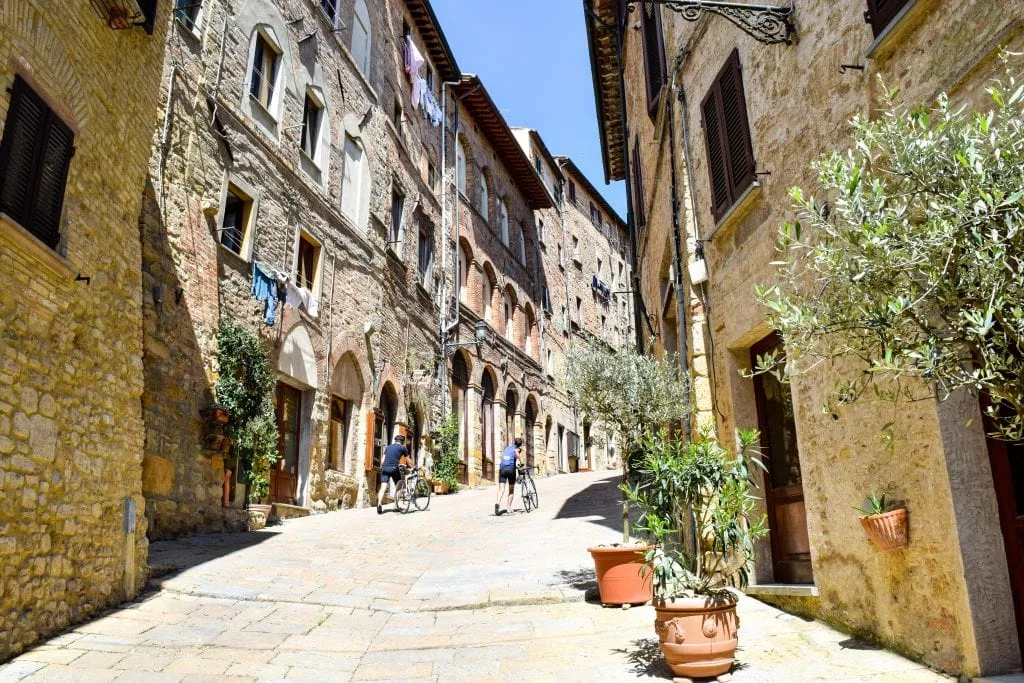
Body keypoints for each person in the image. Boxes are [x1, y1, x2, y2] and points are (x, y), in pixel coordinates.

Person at [377, 434, 409, 514]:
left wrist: (383, 467)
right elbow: (408, 460)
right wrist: (413, 466)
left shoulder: (388, 447)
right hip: (394, 468)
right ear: (402, 441)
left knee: (383, 487)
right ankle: (395, 506)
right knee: (399, 486)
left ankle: (379, 504)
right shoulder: (403, 448)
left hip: (385, 468)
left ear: (395, 441)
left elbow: (383, 459)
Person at [495, 436, 523, 515]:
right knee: (511, 490)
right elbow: (516, 453)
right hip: (510, 469)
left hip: (502, 468)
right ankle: (508, 508)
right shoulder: (518, 448)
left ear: (514, 442)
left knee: (501, 489)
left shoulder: (506, 448)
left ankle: (497, 503)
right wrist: (521, 462)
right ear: (520, 445)